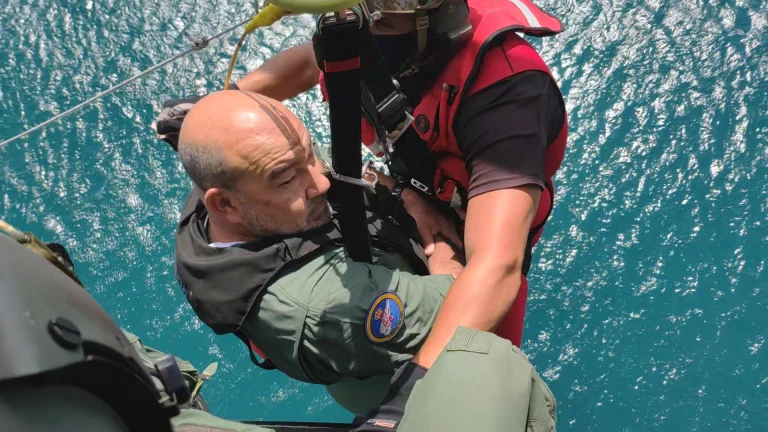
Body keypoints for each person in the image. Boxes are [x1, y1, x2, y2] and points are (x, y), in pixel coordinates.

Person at [156, 0, 568, 371]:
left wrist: (417, 387)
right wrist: (219, 113)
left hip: (482, 219)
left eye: (381, 23)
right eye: (360, 14)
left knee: (488, 360)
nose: (366, 32)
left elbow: (497, 265)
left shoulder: (507, 94)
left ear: (435, 16)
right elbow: (309, 64)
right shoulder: (373, 33)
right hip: (417, 188)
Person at [0, 226, 556, 432]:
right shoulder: (328, 310)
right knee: (488, 369)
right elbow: (468, 296)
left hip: (350, 377)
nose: (316, 180)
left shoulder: (210, 239)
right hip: (379, 373)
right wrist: (447, 260)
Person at [172, 89, 467, 414]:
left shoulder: (238, 188)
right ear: (225, 205)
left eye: (309, 153)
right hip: (420, 382)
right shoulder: (320, 305)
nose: (320, 181)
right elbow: (462, 309)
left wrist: (402, 195)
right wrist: (441, 243)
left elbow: (321, 163)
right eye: (287, 178)